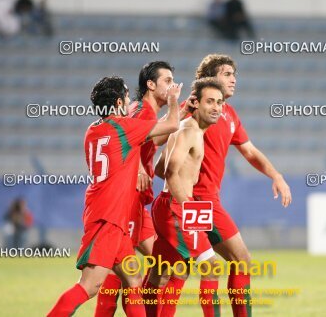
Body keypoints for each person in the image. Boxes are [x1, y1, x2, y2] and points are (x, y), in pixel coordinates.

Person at [47, 76, 182, 317]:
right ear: (119, 101)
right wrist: (173, 101)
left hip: (110, 217)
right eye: (128, 96)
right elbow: (172, 125)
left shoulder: (92, 130)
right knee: (90, 286)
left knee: (133, 279)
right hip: (107, 218)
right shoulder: (124, 127)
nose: (131, 101)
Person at [178, 54, 292, 317]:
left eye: (234, 74)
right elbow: (166, 138)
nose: (233, 79)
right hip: (196, 200)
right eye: (227, 74)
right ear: (209, 78)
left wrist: (276, 175)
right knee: (238, 261)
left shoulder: (228, 114)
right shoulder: (193, 109)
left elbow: (250, 151)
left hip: (205, 201)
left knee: (176, 272)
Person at [94, 61, 192, 316]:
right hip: (128, 203)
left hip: (135, 203)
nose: (172, 86)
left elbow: (154, 138)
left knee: (144, 268)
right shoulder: (141, 111)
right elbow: (128, 141)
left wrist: (182, 109)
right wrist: (138, 169)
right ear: (150, 84)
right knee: (141, 269)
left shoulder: (143, 111)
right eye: (167, 81)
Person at [143, 78, 225, 317]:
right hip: (175, 206)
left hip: (168, 203)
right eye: (210, 101)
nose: (216, 107)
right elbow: (169, 172)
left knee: (169, 271)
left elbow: (159, 168)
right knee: (211, 267)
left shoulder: (188, 128)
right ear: (196, 103)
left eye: (219, 103)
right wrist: (188, 206)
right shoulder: (189, 130)